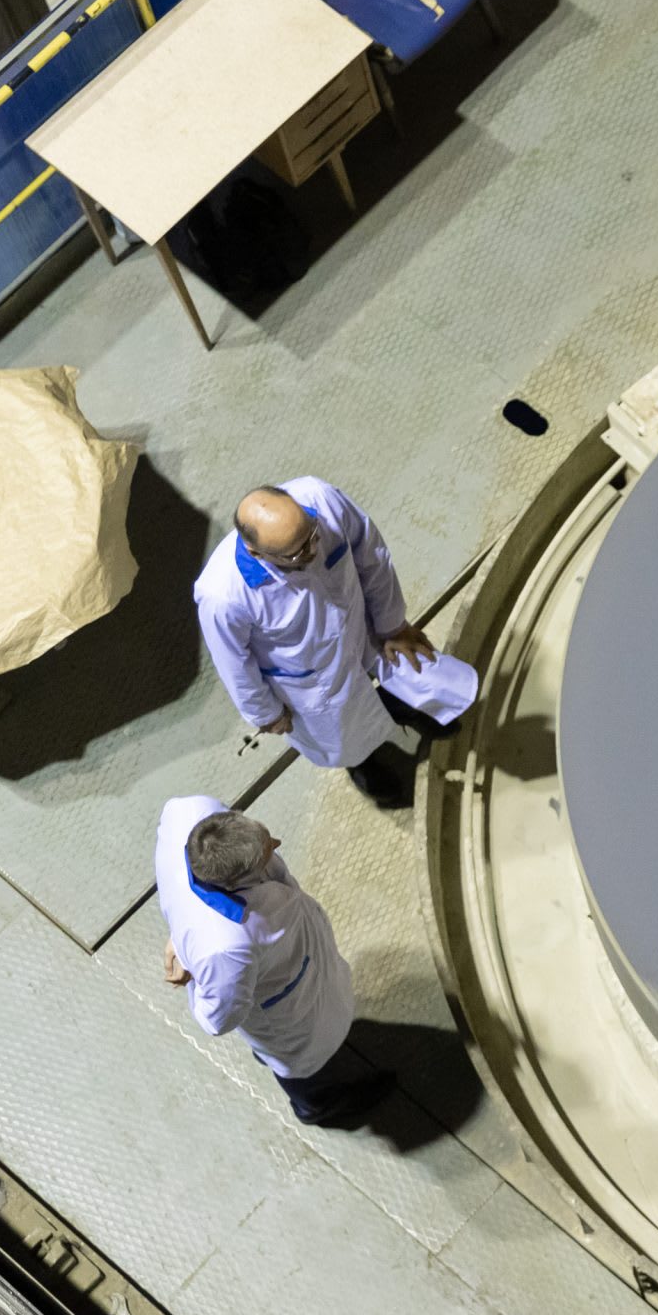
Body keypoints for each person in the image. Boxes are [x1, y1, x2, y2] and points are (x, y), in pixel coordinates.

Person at [193, 478, 462, 807]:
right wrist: (266, 713)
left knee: (399, 668)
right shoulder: (222, 596)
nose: (313, 550)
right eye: (297, 553)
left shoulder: (320, 498)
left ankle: (407, 709)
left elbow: (371, 554)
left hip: (358, 623)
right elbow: (234, 664)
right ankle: (363, 764)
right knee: (344, 731)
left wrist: (393, 625)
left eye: (312, 534)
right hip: (309, 674)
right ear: (257, 553)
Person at [154, 795, 394, 1127]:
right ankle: (315, 1106)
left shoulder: (193, 811)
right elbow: (218, 1018)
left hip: (301, 962)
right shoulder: (225, 949)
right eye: (268, 850)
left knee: (326, 1012)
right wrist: (190, 960)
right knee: (300, 1065)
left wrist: (180, 938)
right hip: (286, 1013)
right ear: (234, 882)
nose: (276, 845)